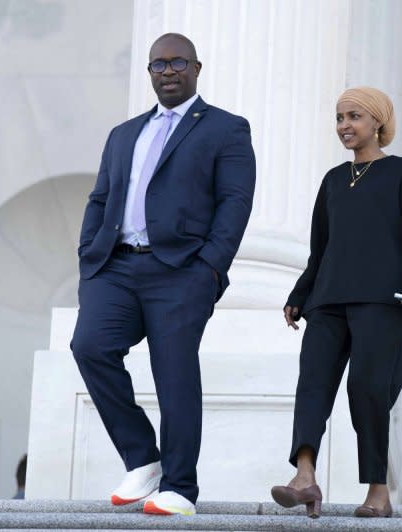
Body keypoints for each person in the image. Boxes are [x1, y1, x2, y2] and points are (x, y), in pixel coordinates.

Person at [70, 33, 255, 516]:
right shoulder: (124, 133)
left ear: (196, 67)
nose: (167, 71)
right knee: (89, 346)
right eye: (158, 65)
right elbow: (99, 198)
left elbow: (235, 204)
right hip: (115, 265)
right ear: (149, 73)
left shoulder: (225, 128)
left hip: (181, 271)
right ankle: (141, 457)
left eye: (177, 62)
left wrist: (210, 269)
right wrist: (90, 254)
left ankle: (179, 487)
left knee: (172, 372)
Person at [270, 87, 402, 519]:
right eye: (339, 117)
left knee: (367, 391)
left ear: (377, 121)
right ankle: (304, 477)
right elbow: (319, 249)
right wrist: (300, 294)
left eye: (354, 116)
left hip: (382, 299)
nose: (344, 125)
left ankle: (378, 491)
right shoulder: (333, 180)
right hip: (327, 300)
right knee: (313, 384)